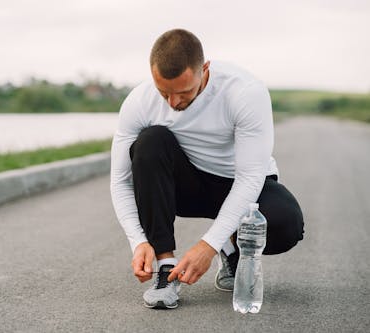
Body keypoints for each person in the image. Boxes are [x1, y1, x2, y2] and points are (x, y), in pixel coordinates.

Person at [110, 28, 304, 309]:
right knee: (151, 141)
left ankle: (230, 247)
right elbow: (121, 181)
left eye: (184, 91)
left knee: (287, 225)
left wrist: (209, 245)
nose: (173, 102)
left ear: (205, 69)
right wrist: (138, 241)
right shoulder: (139, 101)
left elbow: (250, 176)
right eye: (164, 92)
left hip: (239, 181)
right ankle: (166, 269)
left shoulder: (245, 92)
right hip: (186, 185)